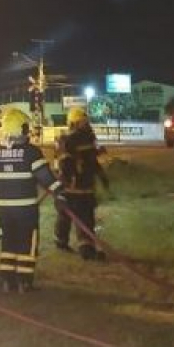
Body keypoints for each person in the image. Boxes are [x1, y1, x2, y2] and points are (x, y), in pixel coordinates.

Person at [0, 108, 64, 293]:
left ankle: (7, 280)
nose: (28, 132)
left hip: (3, 209)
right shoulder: (31, 152)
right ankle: (23, 282)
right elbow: (46, 178)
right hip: (25, 210)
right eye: (26, 128)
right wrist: (61, 193)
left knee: (9, 241)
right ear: (21, 129)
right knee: (27, 243)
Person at [54, 106, 109, 260]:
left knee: (83, 218)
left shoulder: (87, 139)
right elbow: (65, 162)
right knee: (68, 216)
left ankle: (85, 248)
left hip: (84, 187)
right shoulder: (69, 140)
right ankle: (63, 242)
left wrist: (101, 176)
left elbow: (92, 162)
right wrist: (67, 179)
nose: (86, 124)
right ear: (75, 123)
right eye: (82, 122)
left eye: (86, 121)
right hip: (72, 188)